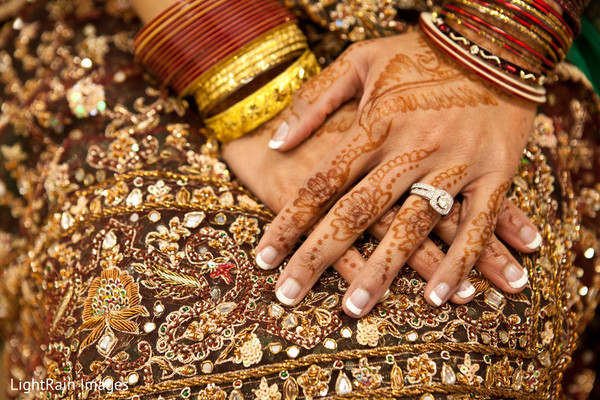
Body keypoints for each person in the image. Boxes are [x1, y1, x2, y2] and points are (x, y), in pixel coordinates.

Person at [0, 0, 598, 399]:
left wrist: (492, 49)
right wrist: (252, 79)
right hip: (171, 24)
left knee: (470, 343)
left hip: (459, 48)